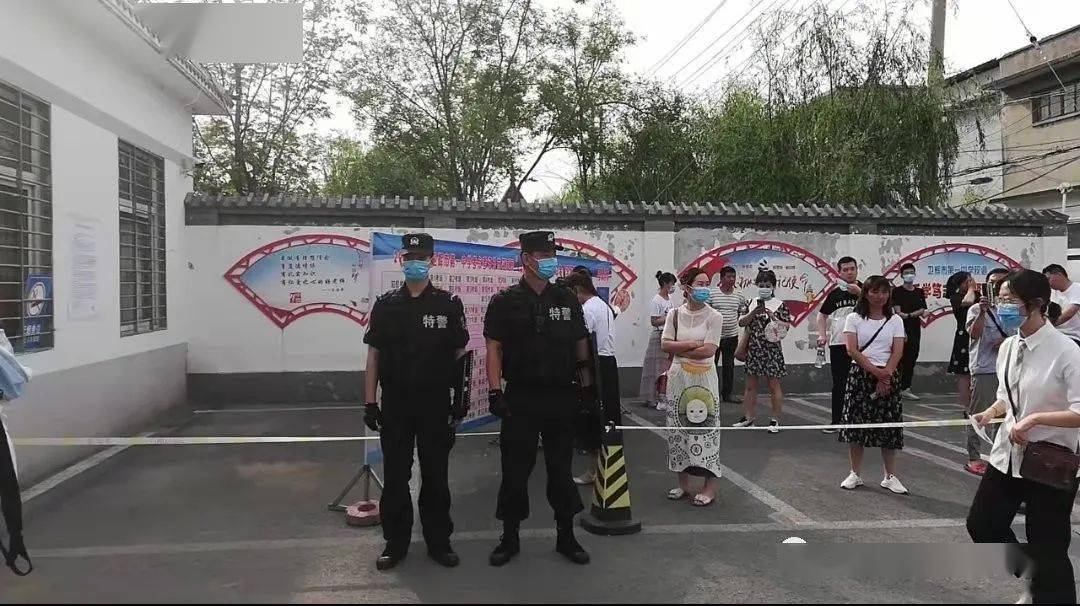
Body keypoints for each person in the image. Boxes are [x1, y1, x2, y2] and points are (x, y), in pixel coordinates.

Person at [968, 269, 1080, 605]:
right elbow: (1007, 396)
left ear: (1036, 304)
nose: (1002, 306)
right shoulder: (1008, 346)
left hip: (1050, 461)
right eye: (1001, 299)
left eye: (1009, 300)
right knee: (983, 525)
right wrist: (991, 412)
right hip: (1008, 456)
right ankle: (1032, 573)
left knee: (1049, 546)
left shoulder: (1067, 351)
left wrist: (1034, 420)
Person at [483, 230, 593, 567]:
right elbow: (493, 348)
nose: (550, 261)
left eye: (552, 255)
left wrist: (587, 389)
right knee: (515, 470)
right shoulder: (505, 301)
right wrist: (495, 391)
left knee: (560, 469)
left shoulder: (566, 299)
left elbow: (580, 344)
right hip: (521, 398)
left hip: (561, 395)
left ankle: (566, 536)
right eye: (544, 255)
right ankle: (510, 537)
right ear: (526, 259)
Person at [362, 233, 469, 571]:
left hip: (435, 404)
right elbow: (374, 356)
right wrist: (370, 402)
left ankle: (439, 542)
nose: (415, 263)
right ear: (401, 260)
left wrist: (460, 400)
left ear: (432, 260)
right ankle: (395, 543)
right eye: (409, 257)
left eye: (421, 257)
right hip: (396, 404)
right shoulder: (386, 305)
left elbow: (460, 355)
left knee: (436, 476)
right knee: (396, 477)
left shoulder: (448, 304)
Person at [838, 275, 909, 495]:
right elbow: (851, 350)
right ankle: (855, 473)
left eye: (884, 292)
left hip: (888, 374)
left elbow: (898, 350)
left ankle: (890, 476)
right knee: (856, 426)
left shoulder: (895, 320)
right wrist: (876, 373)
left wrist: (886, 375)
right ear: (865, 293)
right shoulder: (853, 318)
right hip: (860, 375)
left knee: (889, 427)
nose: (880, 296)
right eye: (875, 291)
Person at [661, 267, 724, 507]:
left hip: (704, 378)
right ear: (687, 287)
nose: (705, 288)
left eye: (707, 283)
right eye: (700, 283)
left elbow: (709, 349)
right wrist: (691, 344)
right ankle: (683, 483)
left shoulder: (714, 316)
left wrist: (681, 348)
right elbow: (665, 344)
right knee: (678, 428)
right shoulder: (674, 314)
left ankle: (710, 487)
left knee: (706, 428)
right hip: (678, 378)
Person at [564, 271, 621, 486]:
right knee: (608, 418)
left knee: (591, 417)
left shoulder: (587, 309)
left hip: (594, 366)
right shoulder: (603, 305)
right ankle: (607, 469)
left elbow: (582, 343)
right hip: (608, 364)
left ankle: (592, 471)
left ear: (577, 290)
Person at [732, 270, 791, 433]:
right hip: (754, 350)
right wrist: (754, 312)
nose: (764, 288)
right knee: (750, 386)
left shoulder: (780, 305)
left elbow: (786, 326)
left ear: (773, 286)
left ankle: (775, 420)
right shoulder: (750, 302)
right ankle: (749, 417)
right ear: (757, 285)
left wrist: (774, 317)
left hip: (772, 350)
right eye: (761, 285)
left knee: (773, 386)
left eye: (768, 285)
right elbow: (741, 322)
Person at [964, 268, 1010, 476]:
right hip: (985, 369)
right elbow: (974, 334)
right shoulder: (976, 309)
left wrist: (1007, 341)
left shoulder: (1014, 310)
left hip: (1008, 369)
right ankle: (974, 457)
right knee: (979, 414)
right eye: (993, 283)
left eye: (1001, 283)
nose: (997, 286)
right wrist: (983, 311)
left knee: (1006, 415)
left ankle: (1000, 458)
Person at [818, 257, 862, 433]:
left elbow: (879, 306)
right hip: (838, 344)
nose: (850, 272)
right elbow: (822, 315)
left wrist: (860, 293)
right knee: (839, 384)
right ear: (839, 272)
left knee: (861, 382)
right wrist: (822, 335)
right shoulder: (835, 293)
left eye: (852, 269)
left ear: (857, 269)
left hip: (862, 345)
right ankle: (837, 421)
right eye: (845, 269)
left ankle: (861, 421)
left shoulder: (867, 290)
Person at [709, 266, 747, 404]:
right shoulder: (712, 294)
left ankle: (727, 394)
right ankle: (711, 393)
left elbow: (742, 313)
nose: (732, 279)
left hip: (731, 336)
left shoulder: (739, 295)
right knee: (711, 366)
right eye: (728, 276)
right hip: (713, 336)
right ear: (721, 278)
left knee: (729, 366)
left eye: (733, 277)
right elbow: (706, 313)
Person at [891, 263, 928, 401]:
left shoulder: (919, 292)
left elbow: (922, 309)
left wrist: (910, 315)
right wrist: (907, 315)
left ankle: (906, 388)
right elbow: (898, 312)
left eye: (911, 272)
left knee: (911, 357)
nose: (909, 275)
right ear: (901, 275)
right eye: (906, 272)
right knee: (898, 357)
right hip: (900, 327)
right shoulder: (897, 291)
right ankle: (894, 387)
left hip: (914, 328)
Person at [946, 271, 978, 428]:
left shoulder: (978, 296)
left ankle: (978, 406)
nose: (971, 283)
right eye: (968, 281)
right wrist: (971, 289)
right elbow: (968, 302)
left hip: (979, 337)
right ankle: (967, 408)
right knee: (964, 375)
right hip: (963, 338)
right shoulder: (956, 297)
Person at [640, 272, 677, 411]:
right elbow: (654, 321)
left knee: (664, 368)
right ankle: (651, 397)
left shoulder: (669, 299)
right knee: (654, 368)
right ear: (666, 284)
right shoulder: (657, 300)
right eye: (672, 284)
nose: (673, 287)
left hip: (668, 334)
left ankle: (662, 396)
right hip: (658, 335)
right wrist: (669, 316)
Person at [1042, 264, 1080, 347]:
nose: (1048, 283)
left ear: (1059, 274)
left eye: (1048, 278)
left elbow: (1069, 313)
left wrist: (1048, 325)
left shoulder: (1077, 288)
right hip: (1053, 333)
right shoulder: (1052, 292)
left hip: (1071, 335)